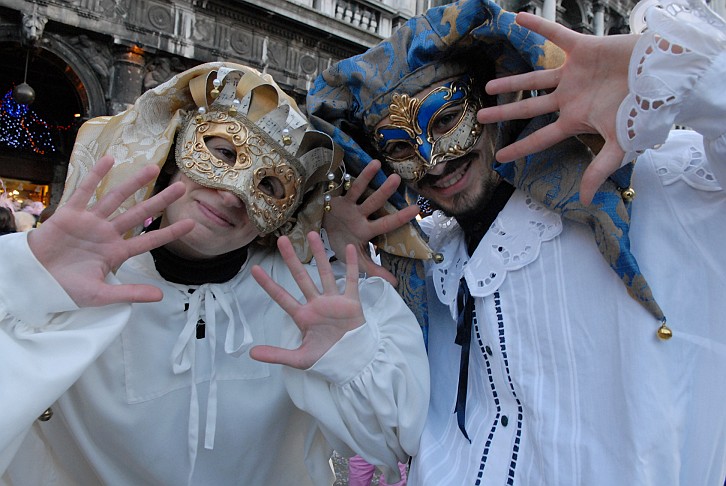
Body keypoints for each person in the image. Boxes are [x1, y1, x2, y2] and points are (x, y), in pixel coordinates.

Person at [307, 0, 726, 483]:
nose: (435, 163)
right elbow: (399, 436)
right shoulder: (428, 272)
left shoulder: (651, 190)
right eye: (400, 147)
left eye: (445, 121)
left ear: (493, 105)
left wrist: (672, 74)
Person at [0, 62, 429, 485]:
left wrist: (349, 354)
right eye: (224, 153)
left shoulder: (311, 299)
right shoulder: (82, 282)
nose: (234, 194)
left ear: (282, 216)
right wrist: (27, 285)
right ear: (173, 155)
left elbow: (393, 442)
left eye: (270, 187)